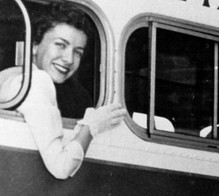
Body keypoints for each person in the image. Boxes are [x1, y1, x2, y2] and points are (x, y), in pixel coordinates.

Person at [0, 3, 125, 180]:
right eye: (60, 45)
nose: (68, 59)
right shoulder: (37, 82)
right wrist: (92, 126)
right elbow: (62, 167)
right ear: (34, 45)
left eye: (78, 52)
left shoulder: (9, 75)